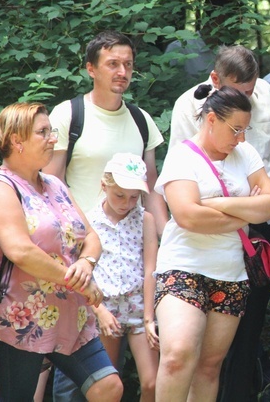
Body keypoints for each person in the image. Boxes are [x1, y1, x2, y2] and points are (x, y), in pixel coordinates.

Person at [168, 45, 270, 401]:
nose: (247, 98)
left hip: (258, 234)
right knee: (187, 349)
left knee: (246, 332)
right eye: (238, 92)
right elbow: (188, 197)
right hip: (203, 238)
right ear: (215, 80)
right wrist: (247, 207)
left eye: (250, 91)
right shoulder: (187, 107)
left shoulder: (269, 95)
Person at [44, 30, 167, 399]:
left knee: (114, 372)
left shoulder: (142, 120)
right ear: (91, 69)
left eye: (128, 64)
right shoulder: (68, 114)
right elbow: (51, 183)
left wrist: (167, 239)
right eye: (113, 63)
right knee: (75, 364)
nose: (122, 71)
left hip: (131, 249)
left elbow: (152, 188)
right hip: (79, 254)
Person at [154, 86, 270, 400]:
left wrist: (215, 203)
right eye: (236, 129)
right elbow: (187, 217)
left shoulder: (245, 154)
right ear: (211, 119)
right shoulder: (182, 156)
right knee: (177, 355)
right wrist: (244, 212)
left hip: (231, 272)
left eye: (245, 130)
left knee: (210, 366)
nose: (241, 138)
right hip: (184, 266)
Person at [0, 102, 122, 401]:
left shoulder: (54, 184)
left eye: (52, 131)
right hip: (21, 321)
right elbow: (20, 251)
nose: (53, 138)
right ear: (17, 140)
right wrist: (76, 279)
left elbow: (91, 235)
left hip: (72, 317)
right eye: (43, 132)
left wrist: (87, 262)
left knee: (108, 388)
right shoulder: (2, 187)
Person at [89, 153, 160, 401]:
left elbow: (151, 267)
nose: (126, 203)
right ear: (104, 185)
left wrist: (150, 317)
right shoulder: (90, 221)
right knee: (109, 385)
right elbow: (82, 273)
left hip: (139, 306)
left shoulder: (145, 219)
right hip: (106, 305)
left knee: (152, 383)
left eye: (134, 197)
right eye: (119, 195)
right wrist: (100, 311)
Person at [165, 0, 235, 77]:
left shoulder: (229, 54)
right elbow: (167, 87)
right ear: (220, 18)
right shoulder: (179, 49)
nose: (239, 26)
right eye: (234, 19)